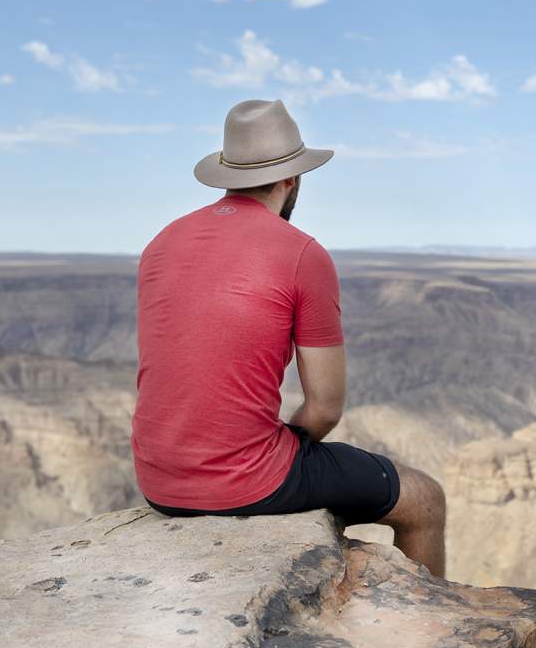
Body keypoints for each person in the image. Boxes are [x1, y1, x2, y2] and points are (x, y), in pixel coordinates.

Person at [132, 98, 447, 576]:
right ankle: (433, 636)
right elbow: (325, 408)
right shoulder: (302, 254)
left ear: (228, 174)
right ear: (292, 179)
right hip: (248, 485)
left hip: (157, 481)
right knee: (424, 499)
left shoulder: (161, 242)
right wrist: (288, 449)